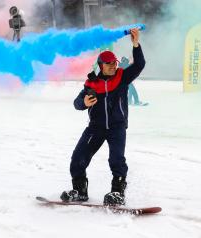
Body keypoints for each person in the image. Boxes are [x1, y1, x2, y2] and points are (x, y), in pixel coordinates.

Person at [60, 28, 145, 206]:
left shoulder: (122, 77)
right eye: (108, 63)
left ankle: (117, 193)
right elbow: (77, 104)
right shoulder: (92, 83)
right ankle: (80, 191)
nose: (113, 66)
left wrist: (135, 45)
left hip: (117, 127)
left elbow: (139, 65)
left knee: (116, 160)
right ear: (101, 65)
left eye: (114, 63)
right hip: (96, 127)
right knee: (78, 158)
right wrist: (84, 102)